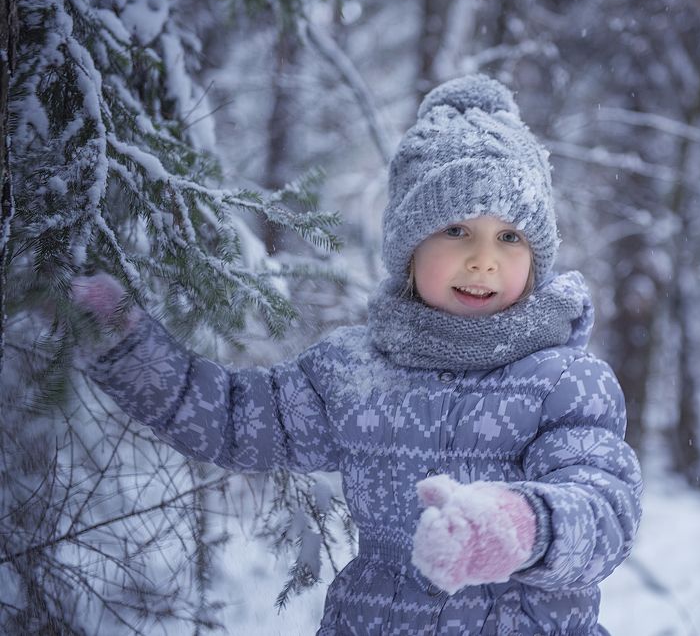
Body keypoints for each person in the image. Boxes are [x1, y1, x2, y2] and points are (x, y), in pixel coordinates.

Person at [73, 74, 642, 635]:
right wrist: (129, 348)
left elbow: (604, 507)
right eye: (457, 230)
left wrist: (519, 526)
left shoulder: (565, 382)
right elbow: (234, 419)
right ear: (408, 248)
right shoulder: (354, 373)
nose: (484, 260)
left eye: (511, 237)